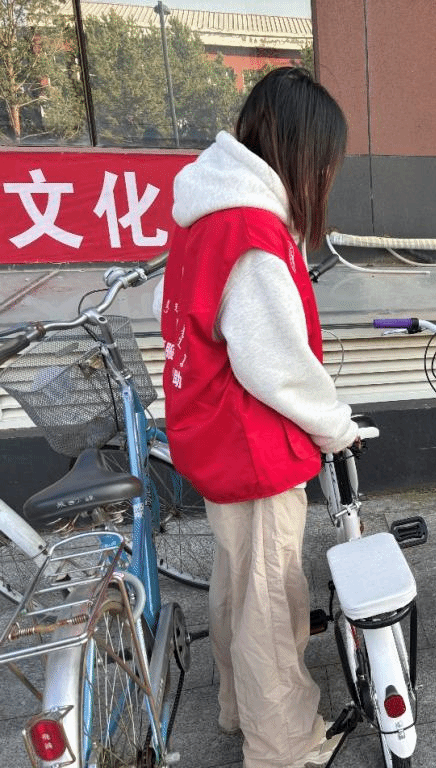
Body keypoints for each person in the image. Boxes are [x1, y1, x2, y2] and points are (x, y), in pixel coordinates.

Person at [159, 67, 358, 768]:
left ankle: (237, 710)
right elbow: (277, 365)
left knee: (237, 585)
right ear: (301, 152)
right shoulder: (251, 230)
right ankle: (285, 748)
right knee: (273, 603)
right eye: (326, 162)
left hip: (214, 436)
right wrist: (337, 426)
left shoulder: (205, 213)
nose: (326, 177)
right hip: (253, 444)